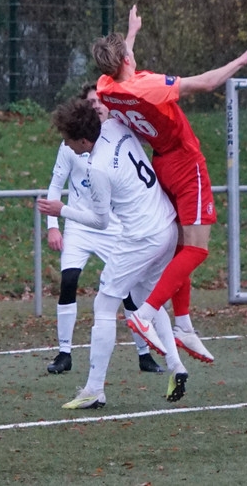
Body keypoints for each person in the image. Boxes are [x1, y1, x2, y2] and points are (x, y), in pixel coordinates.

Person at [92, 4, 247, 364]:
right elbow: (207, 83)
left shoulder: (104, 87)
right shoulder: (149, 86)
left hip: (161, 162)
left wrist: (132, 33)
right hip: (185, 162)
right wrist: (243, 58)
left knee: (180, 247)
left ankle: (184, 324)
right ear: (126, 60)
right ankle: (146, 314)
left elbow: (123, 69)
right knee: (198, 249)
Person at [37, 99, 189, 409]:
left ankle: (94, 390)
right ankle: (176, 365)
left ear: (83, 140)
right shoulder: (116, 125)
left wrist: (62, 210)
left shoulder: (97, 168)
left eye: (67, 140)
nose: (66, 145)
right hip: (167, 226)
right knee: (148, 299)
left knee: (104, 305)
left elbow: (101, 221)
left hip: (142, 237)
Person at [43, 83, 163, 375]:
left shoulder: (114, 136)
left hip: (110, 226)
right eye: (91, 102)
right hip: (79, 226)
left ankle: (144, 353)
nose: (97, 105)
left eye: (100, 100)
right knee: (69, 280)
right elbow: (56, 185)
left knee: (128, 290)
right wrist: (53, 226)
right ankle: (64, 353)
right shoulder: (70, 145)